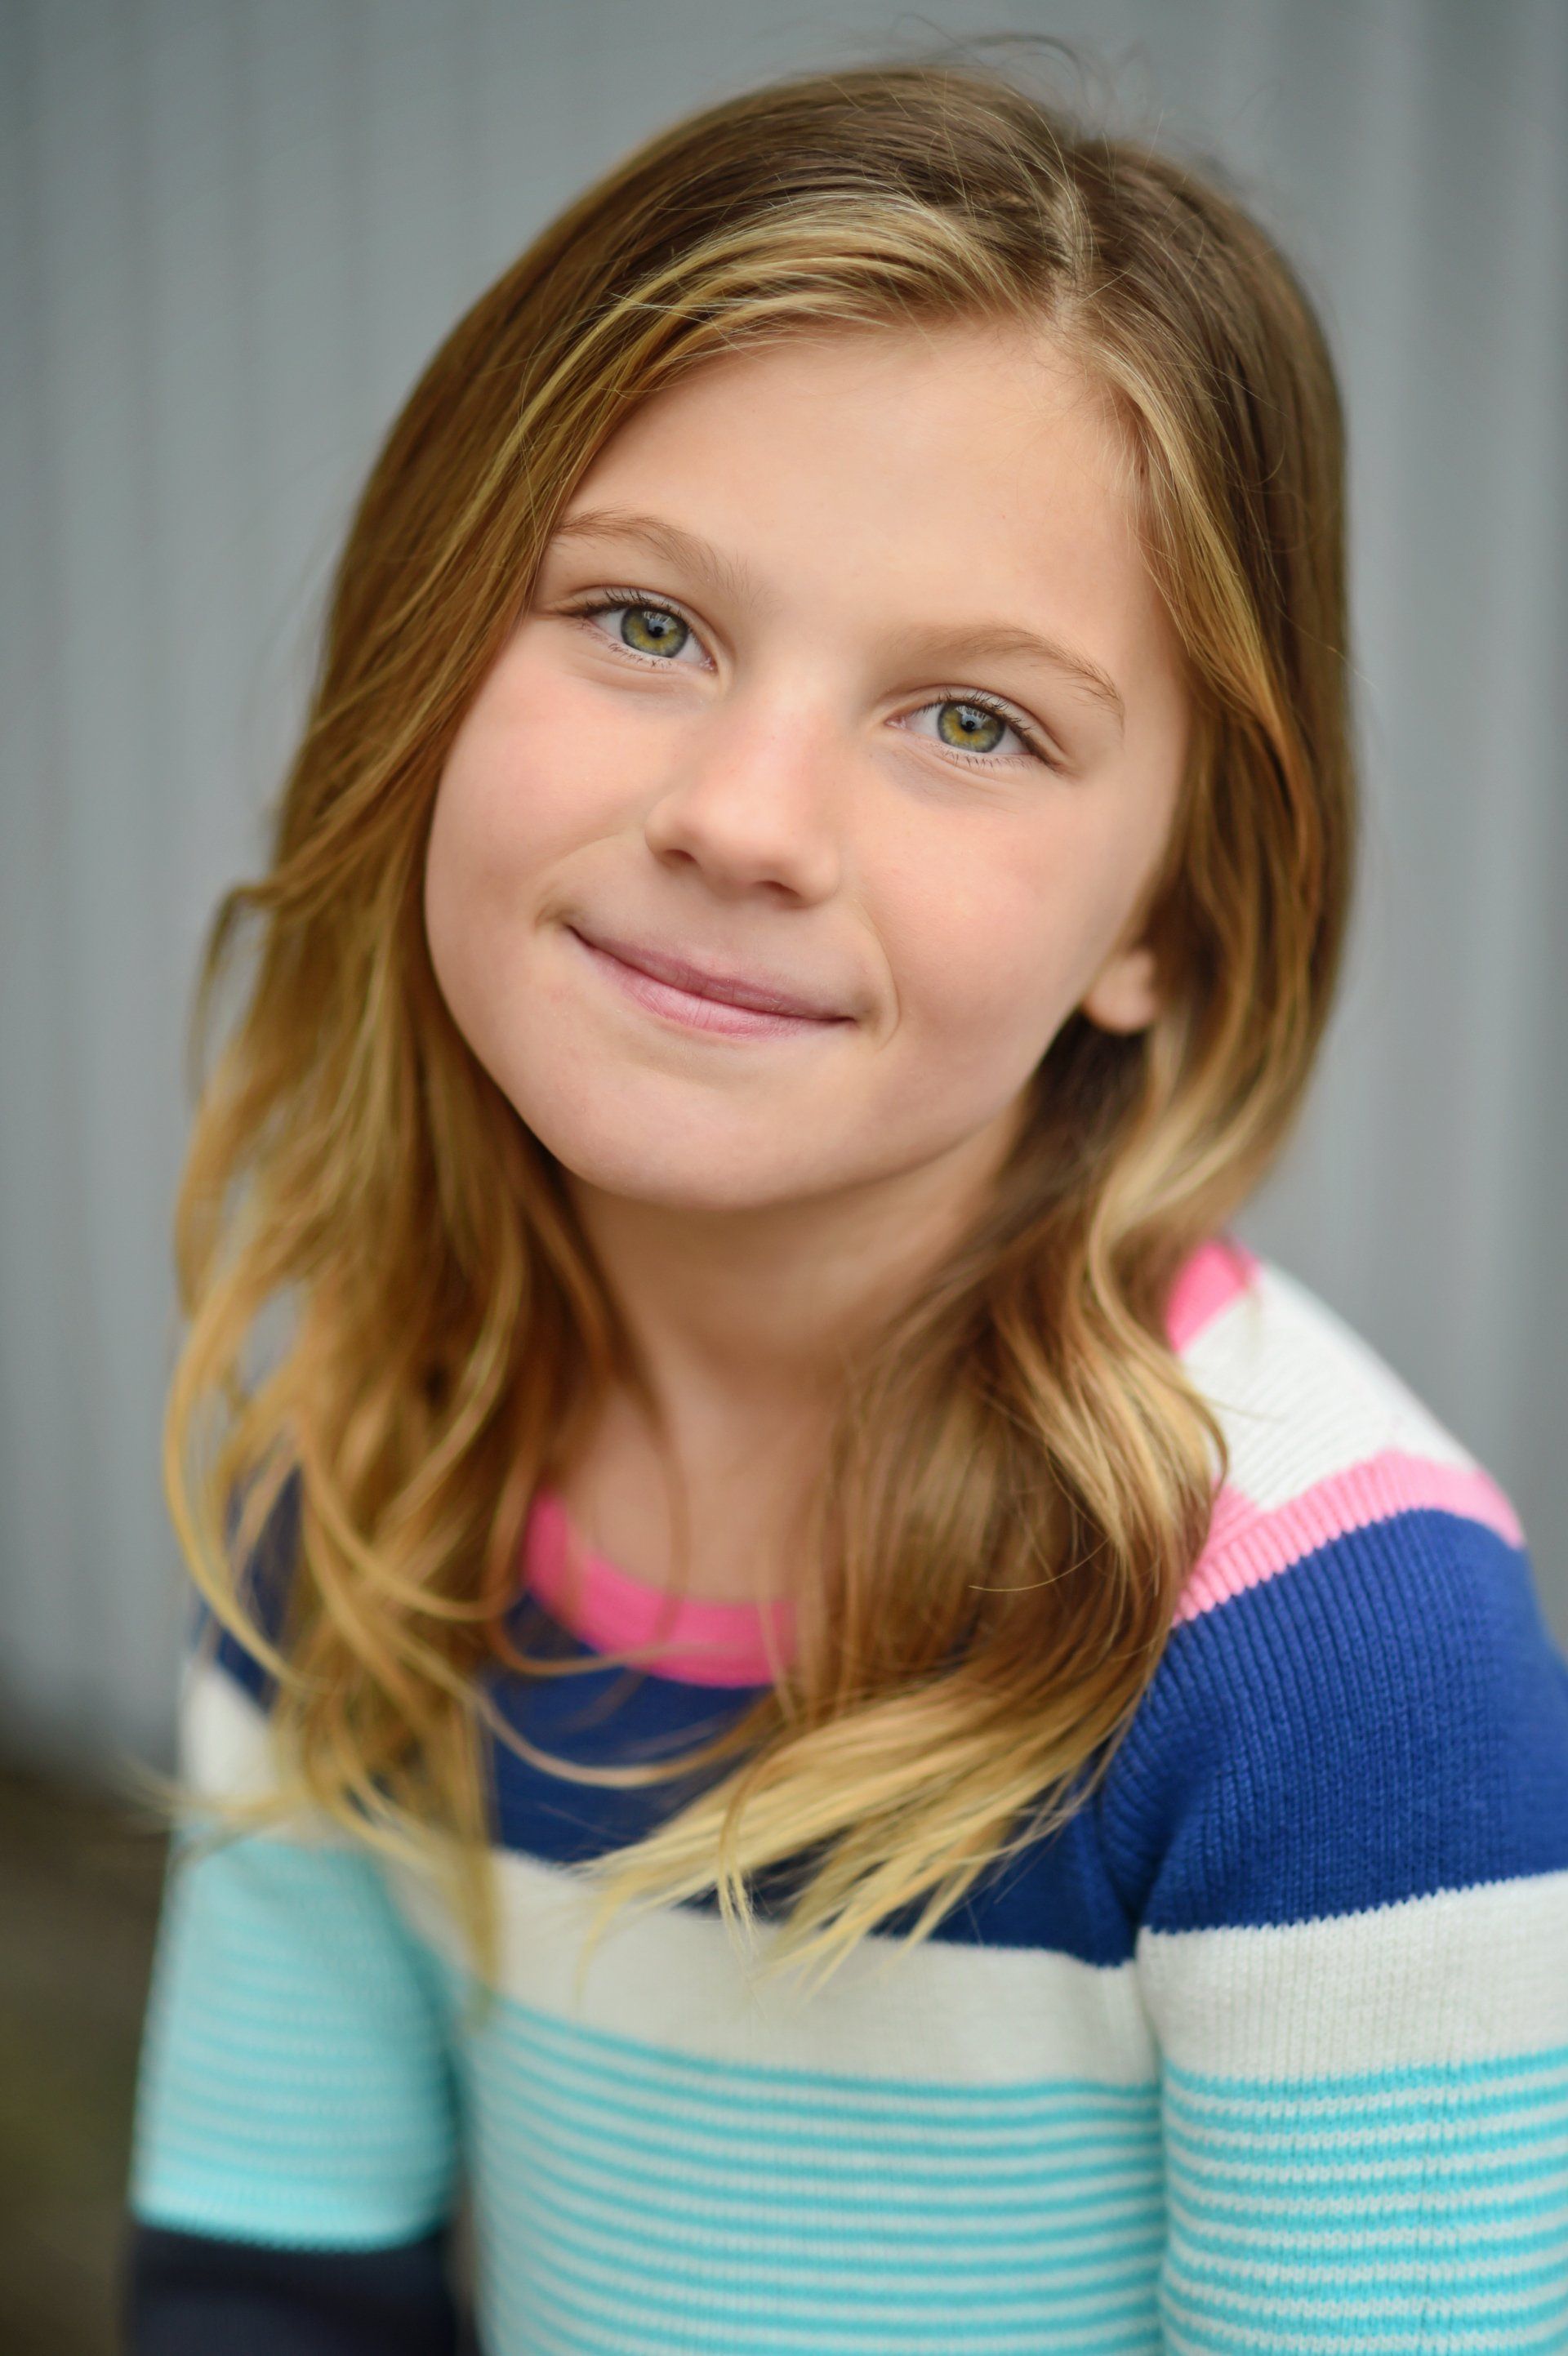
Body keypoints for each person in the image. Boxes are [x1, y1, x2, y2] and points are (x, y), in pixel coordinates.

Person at [122, 46, 1568, 2356]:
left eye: (974, 721)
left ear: (1165, 918)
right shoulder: (369, 1492)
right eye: (646, 622)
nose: (747, 816)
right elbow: (262, 2296)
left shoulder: (1334, 1658)